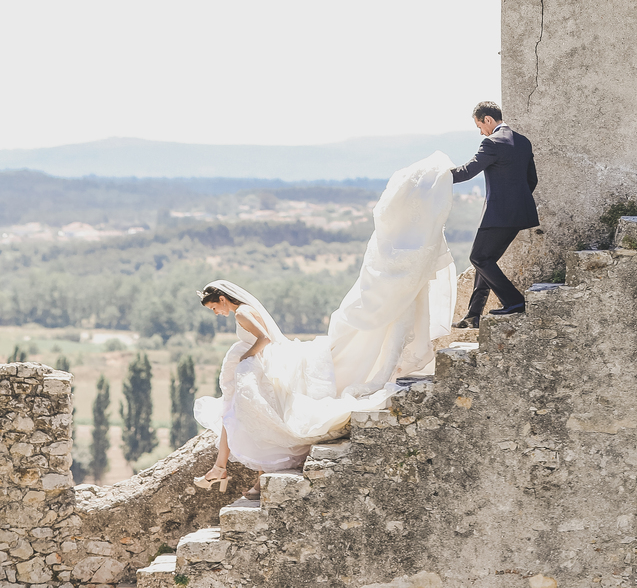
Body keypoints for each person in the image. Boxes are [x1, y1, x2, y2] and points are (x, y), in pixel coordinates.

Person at [192, 152, 456, 486]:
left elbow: (265, 340)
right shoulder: (243, 309)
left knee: (249, 418)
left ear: (222, 298)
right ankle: (227, 470)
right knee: (240, 417)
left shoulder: (242, 312)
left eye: (214, 307)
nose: (215, 312)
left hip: (252, 367)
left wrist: (244, 359)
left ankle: (233, 471)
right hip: (250, 369)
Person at [451, 99, 539, 328]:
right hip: (520, 214)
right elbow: (532, 180)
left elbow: (468, 171)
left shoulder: (492, 143)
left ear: (488, 119)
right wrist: (516, 202)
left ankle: (514, 301)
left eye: (480, 126)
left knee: (478, 258)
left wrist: (437, 176)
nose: (481, 132)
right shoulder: (523, 141)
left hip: (499, 215)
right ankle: (473, 314)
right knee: (486, 260)